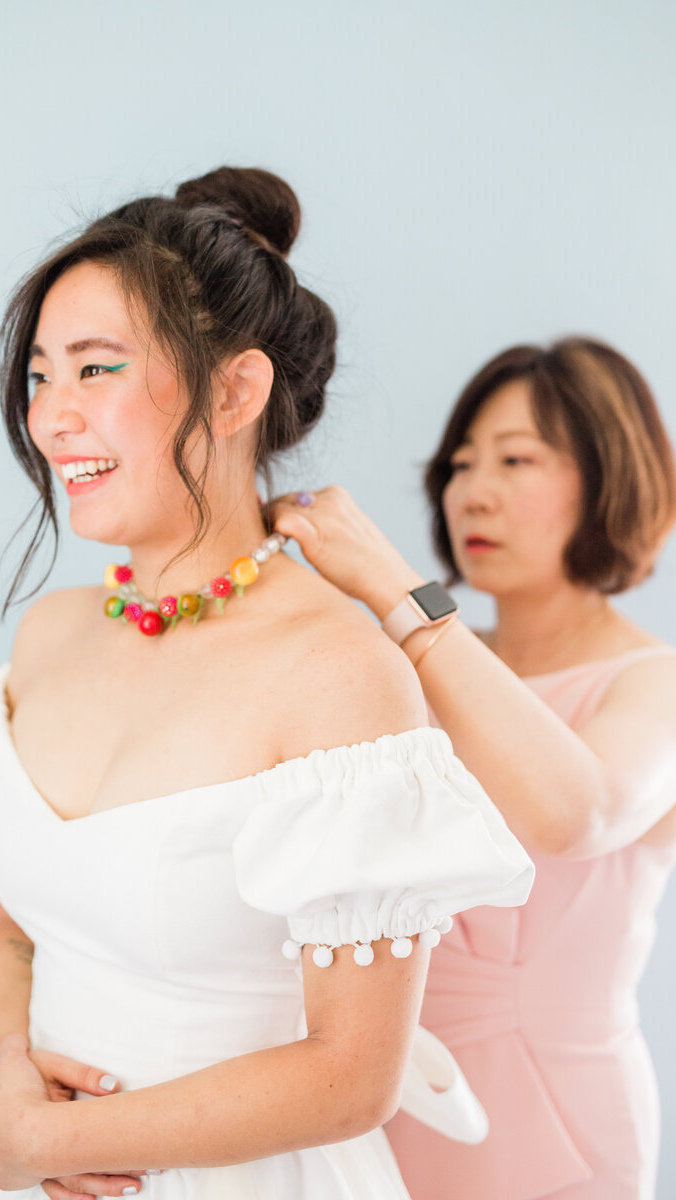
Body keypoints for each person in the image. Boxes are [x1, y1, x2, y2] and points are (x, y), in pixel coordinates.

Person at [0, 168, 534, 1200]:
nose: (51, 417)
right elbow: (11, 936)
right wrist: (5, 1087)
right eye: (39, 376)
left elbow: (351, 1078)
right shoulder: (50, 636)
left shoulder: (340, 677)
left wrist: (47, 1148)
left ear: (234, 391)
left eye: (95, 369)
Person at [268, 336, 676, 1200]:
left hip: (553, 1126)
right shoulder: (411, 662)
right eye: (459, 464)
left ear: (613, 478)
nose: (473, 491)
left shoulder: (656, 682)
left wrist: (393, 587)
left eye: (516, 459)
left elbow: (580, 812)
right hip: (372, 1101)